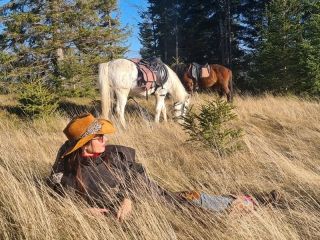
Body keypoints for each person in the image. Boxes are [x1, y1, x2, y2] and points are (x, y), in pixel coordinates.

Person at [48, 113, 280, 221]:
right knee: (199, 208)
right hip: (136, 218)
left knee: (196, 201)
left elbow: (138, 176)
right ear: (83, 144)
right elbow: (55, 201)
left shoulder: (112, 154)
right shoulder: (66, 173)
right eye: (100, 137)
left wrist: (128, 199)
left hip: (155, 201)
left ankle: (252, 203)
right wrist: (82, 212)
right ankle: (249, 203)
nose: (105, 140)